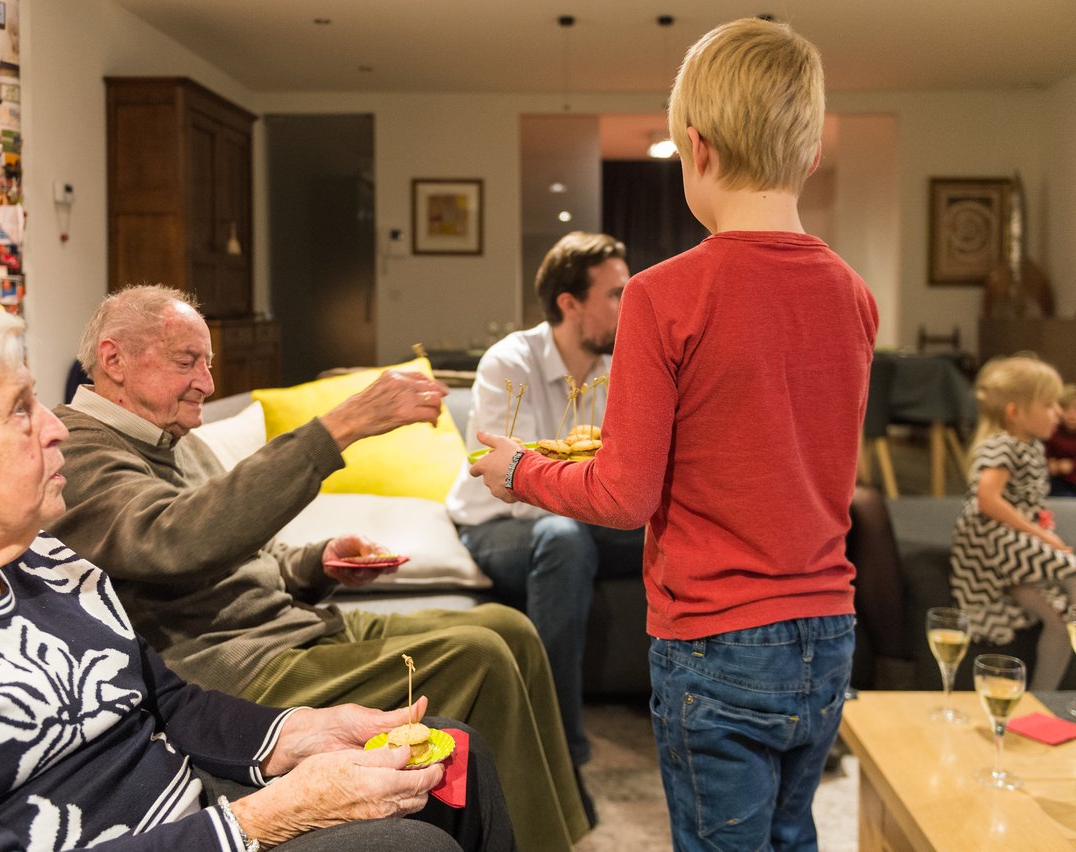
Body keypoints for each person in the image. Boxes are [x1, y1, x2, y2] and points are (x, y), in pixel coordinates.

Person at [0, 306, 516, 851]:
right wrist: (267, 816)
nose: (55, 428)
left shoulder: (46, 558)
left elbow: (169, 700)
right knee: (404, 842)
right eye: (21, 410)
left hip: (193, 808)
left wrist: (296, 733)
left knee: (455, 757)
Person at [471, 18, 877, 850]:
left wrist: (518, 474)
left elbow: (623, 493)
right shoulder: (855, 294)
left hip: (716, 636)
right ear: (808, 156)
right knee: (790, 835)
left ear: (697, 148)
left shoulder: (664, 295)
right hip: (830, 628)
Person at [51, 285, 589, 851]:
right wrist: (340, 427)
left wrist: (318, 560)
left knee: (511, 628)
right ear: (113, 360)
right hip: (238, 666)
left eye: (208, 364)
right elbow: (172, 538)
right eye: (187, 362)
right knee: (481, 659)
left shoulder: (179, 442)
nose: (207, 383)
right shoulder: (79, 450)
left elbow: (242, 555)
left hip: (295, 628)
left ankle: (553, 836)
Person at [446, 231, 644, 774]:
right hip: (498, 520)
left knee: (683, 526)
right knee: (563, 537)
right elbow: (515, 481)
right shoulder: (511, 363)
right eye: (616, 294)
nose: (630, 306)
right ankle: (559, 747)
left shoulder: (622, 363)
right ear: (569, 303)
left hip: (587, 514)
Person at [950, 355, 1076, 689]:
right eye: (1049, 405)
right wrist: (1040, 535)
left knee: (1058, 621)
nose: (1058, 414)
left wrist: (1041, 526)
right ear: (1014, 412)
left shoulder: (1032, 445)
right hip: (994, 541)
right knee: (1072, 571)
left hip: (1013, 540)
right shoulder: (1002, 446)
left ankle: (1042, 696)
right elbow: (988, 500)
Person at [1044, 382, 1076, 498]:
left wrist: (1072, 465)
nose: (1071, 415)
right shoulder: (1052, 431)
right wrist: (1050, 464)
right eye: (1066, 409)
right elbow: (1044, 453)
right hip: (1059, 482)